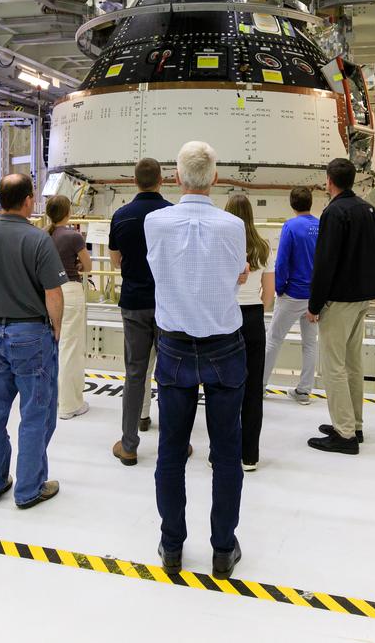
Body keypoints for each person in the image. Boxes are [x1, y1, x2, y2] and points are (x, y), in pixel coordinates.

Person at [145, 141, 248, 579]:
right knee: (226, 454)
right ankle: (222, 550)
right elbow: (239, 273)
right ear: (216, 179)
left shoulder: (155, 222)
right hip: (225, 345)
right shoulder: (232, 226)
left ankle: (172, 546)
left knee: (171, 451)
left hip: (173, 347)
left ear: (176, 178)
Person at [0, 174, 67, 509]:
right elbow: (53, 293)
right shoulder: (38, 240)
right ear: (28, 199)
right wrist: (55, 331)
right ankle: (29, 488)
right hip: (30, 335)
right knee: (35, 413)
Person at [306, 158, 375, 455]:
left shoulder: (334, 212)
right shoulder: (367, 208)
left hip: (339, 299)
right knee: (353, 363)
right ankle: (353, 424)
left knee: (334, 366)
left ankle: (344, 435)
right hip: (362, 296)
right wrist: (364, 265)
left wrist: (314, 304)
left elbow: (325, 263)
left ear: (329, 181)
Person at [109, 158, 173, 466]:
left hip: (133, 303)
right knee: (170, 375)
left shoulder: (121, 215)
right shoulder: (173, 214)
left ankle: (129, 444)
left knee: (135, 374)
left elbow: (114, 260)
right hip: (168, 305)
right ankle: (175, 443)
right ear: (162, 180)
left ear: (135, 181)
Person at [225, 193, 274, 471]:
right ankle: (250, 455)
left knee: (223, 388)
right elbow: (269, 295)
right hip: (253, 317)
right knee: (253, 389)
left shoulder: (223, 243)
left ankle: (218, 452)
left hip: (225, 318)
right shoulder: (262, 246)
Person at [262, 186, 320, 404]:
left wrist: (280, 287)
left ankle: (260, 385)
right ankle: (304, 391)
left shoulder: (291, 226)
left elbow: (283, 261)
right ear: (310, 203)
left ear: (292, 203)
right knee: (310, 343)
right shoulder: (321, 225)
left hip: (292, 293)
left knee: (274, 339)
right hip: (314, 297)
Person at [46, 195, 92, 420]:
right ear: (68, 211)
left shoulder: (45, 235)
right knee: (71, 348)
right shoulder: (73, 236)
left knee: (55, 347)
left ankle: (55, 398)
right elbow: (88, 265)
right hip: (70, 292)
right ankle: (69, 404)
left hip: (49, 293)